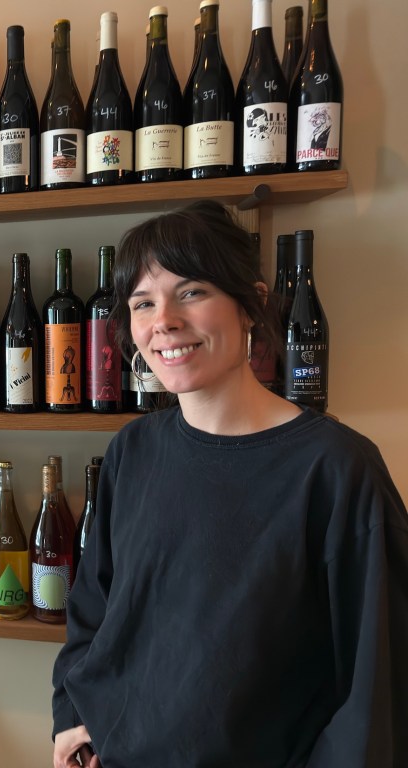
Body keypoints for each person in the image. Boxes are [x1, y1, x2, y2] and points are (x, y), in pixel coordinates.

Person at [51, 201, 408, 767]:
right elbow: (93, 610)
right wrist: (72, 715)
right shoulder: (133, 450)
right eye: (143, 302)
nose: (163, 321)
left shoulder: (338, 471)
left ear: (253, 306)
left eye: (192, 292)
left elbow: (376, 690)